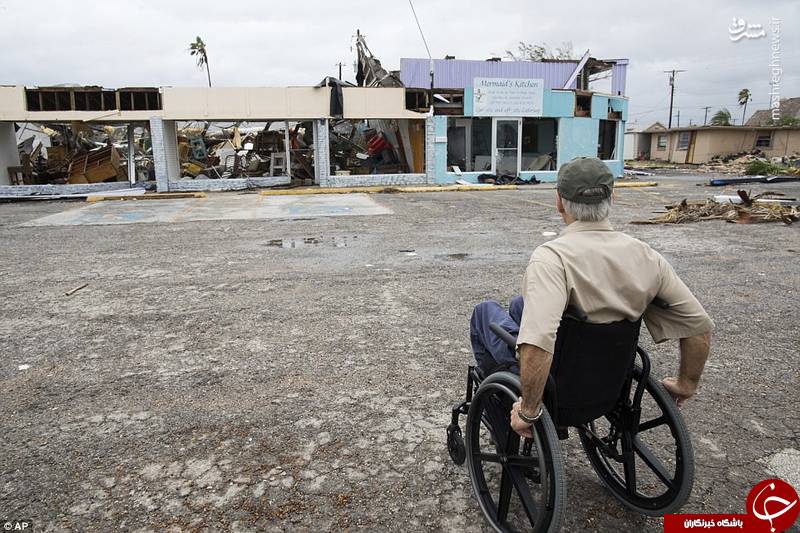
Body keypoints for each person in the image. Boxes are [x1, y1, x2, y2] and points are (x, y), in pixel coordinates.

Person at [469, 157, 714, 439]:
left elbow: (537, 345)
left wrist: (528, 411)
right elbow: (697, 326)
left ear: (559, 201)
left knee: (484, 312)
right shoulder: (646, 256)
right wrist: (686, 384)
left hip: (558, 384)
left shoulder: (553, 258)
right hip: (608, 383)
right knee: (518, 305)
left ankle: (503, 417)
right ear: (613, 197)